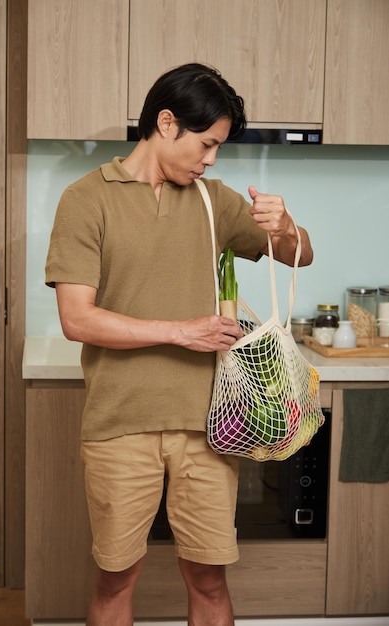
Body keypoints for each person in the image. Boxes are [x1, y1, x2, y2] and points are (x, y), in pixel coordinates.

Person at [45, 63, 313, 626]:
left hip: (210, 426)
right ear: (167, 123)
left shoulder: (214, 201)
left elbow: (298, 256)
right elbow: (77, 319)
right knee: (117, 577)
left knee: (210, 578)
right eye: (207, 143)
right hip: (120, 423)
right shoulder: (86, 198)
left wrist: (285, 224)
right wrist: (178, 331)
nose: (212, 158)